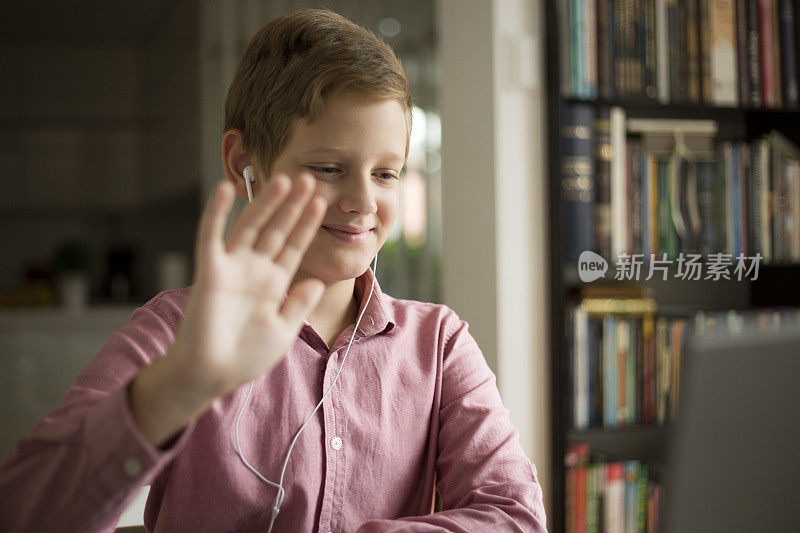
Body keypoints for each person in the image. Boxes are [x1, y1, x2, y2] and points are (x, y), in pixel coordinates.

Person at [0, 8, 547, 532]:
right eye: (329, 168)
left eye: (386, 174)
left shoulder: (439, 344)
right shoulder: (175, 332)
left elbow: (516, 517)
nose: (363, 201)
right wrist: (176, 387)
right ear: (245, 165)